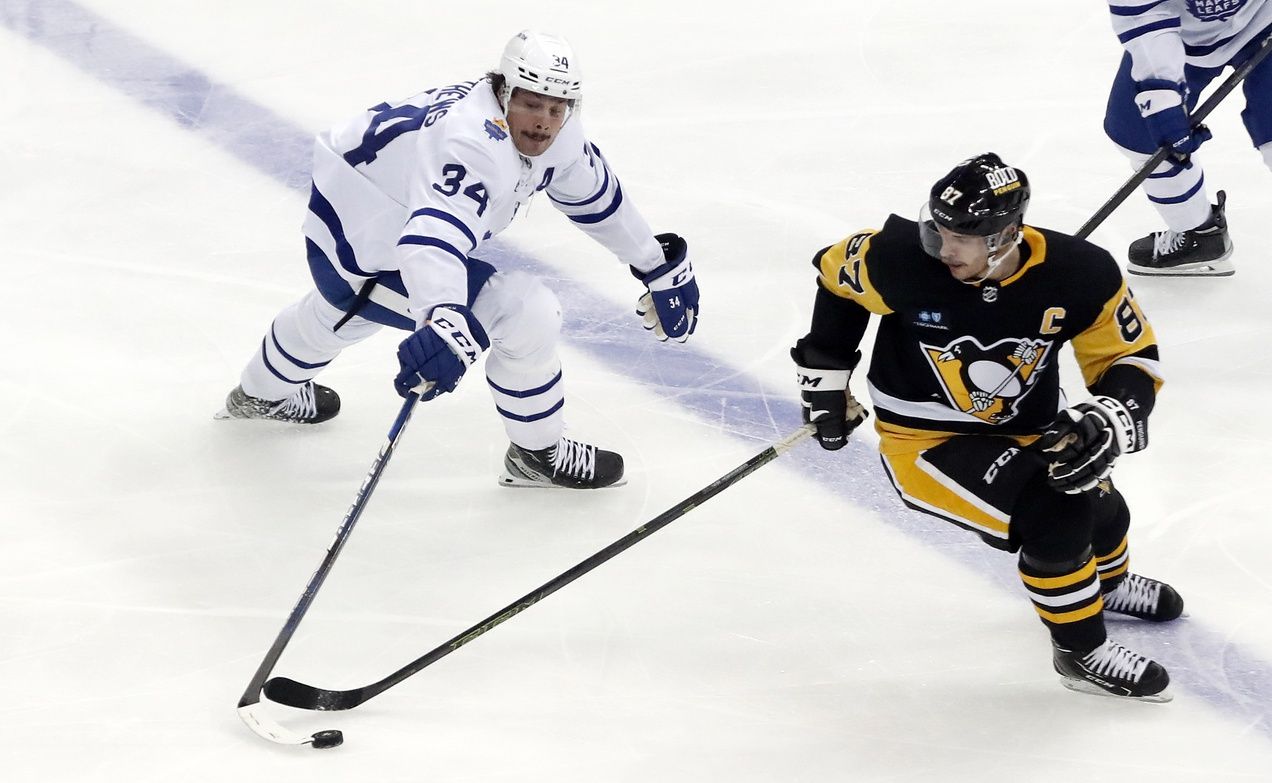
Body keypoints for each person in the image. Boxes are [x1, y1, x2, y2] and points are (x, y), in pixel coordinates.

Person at [215, 30, 700, 490]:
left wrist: (655, 262)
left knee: (348, 313)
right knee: (523, 310)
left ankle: (260, 393)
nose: (544, 121)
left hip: (364, 205)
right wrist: (444, 314)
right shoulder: (471, 143)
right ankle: (537, 454)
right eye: (532, 103)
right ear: (505, 91)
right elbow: (432, 238)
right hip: (362, 236)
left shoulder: (553, 127)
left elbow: (591, 191)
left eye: (557, 108)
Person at [791, 153, 1184, 701]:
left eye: (961, 239)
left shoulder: (1079, 272)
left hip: (1029, 426)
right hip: (927, 441)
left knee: (1102, 504)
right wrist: (825, 377)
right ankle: (1080, 652)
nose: (943, 249)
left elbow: (1130, 354)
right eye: (938, 230)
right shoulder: (903, 261)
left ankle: (1107, 586)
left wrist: (1114, 411)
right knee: (1057, 514)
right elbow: (835, 277)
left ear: (1005, 236)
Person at [1104, 0, 1272, 276]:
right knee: (1137, 132)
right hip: (1184, 35)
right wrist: (1162, 98)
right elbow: (1144, 17)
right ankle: (1200, 234)